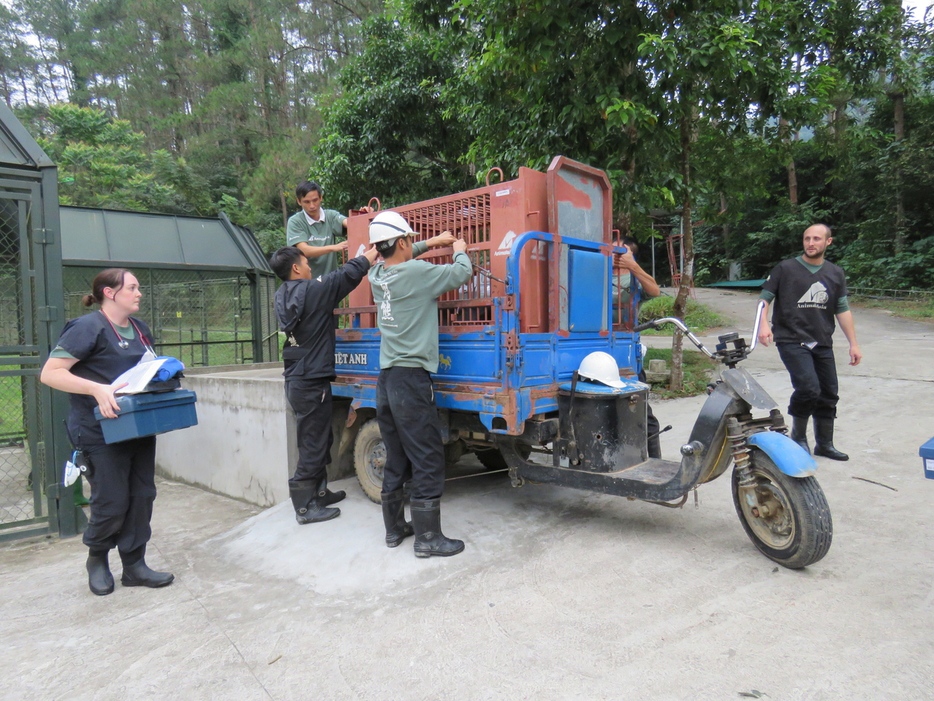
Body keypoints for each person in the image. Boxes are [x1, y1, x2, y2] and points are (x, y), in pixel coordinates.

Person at [40, 269, 174, 596]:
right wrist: (98, 389)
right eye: (132, 287)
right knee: (112, 499)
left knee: (142, 495)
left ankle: (134, 564)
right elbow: (51, 373)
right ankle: (97, 557)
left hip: (137, 426)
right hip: (98, 430)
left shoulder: (140, 330)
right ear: (110, 293)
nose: (139, 292)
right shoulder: (87, 328)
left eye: (138, 287)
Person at [367, 211, 472, 557]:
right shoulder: (417, 272)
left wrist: (430, 242)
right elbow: (462, 273)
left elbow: (402, 257)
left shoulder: (376, 274)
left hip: (386, 380)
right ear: (401, 242)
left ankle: (394, 529)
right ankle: (428, 540)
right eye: (410, 239)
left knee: (397, 455)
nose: (413, 244)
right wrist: (458, 248)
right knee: (427, 456)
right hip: (411, 379)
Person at [271, 244, 379, 524]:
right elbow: (345, 275)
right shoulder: (311, 291)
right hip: (309, 380)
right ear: (296, 268)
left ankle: (319, 493)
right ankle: (305, 507)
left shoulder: (281, 295)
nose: (310, 267)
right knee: (312, 443)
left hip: (299, 377)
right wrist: (373, 251)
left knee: (319, 439)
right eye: (306, 262)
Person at [757, 223, 862, 460]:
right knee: (808, 388)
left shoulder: (835, 273)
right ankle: (799, 437)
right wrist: (763, 324)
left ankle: (824, 444)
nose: (811, 243)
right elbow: (764, 299)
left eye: (816, 239)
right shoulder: (786, 268)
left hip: (822, 340)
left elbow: (842, 309)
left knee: (828, 392)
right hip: (791, 339)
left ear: (828, 242)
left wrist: (854, 344)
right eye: (807, 239)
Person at [617, 236, 663, 459]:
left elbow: (655, 290)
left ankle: (655, 464)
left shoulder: (634, 279)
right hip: (592, 349)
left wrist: (632, 266)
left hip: (625, 353)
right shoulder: (594, 273)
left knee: (643, 412)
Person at [286, 181, 371, 280]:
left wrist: (364, 217)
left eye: (315, 200)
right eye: (306, 202)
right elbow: (303, 250)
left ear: (321, 197)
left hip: (330, 282)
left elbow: (351, 224)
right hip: (306, 285)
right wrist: (334, 247)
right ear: (299, 201)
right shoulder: (295, 222)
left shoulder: (330, 216)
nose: (312, 205)